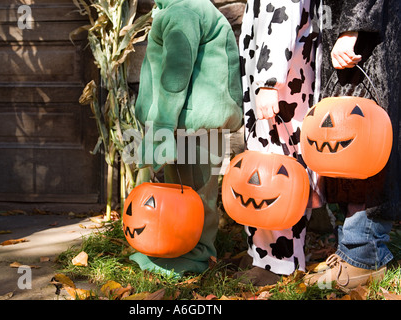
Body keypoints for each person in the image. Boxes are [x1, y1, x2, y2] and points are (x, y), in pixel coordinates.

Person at [129, 0, 243, 277]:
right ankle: (181, 249)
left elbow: (176, 74)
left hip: (186, 122)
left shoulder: (184, 11)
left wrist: (162, 126)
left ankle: (191, 257)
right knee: (195, 191)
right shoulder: (193, 7)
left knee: (188, 194)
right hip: (202, 120)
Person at [304, 0, 401, 289]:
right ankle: (351, 250)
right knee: (346, 153)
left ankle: (364, 256)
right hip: (353, 36)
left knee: (362, 145)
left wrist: (352, 28)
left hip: (366, 41)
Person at [236, 0, 323, 285]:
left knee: (275, 171)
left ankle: (279, 261)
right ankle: (264, 254)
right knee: (268, 166)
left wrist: (269, 82)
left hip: (281, 85)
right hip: (273, 83)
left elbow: (281, 20)